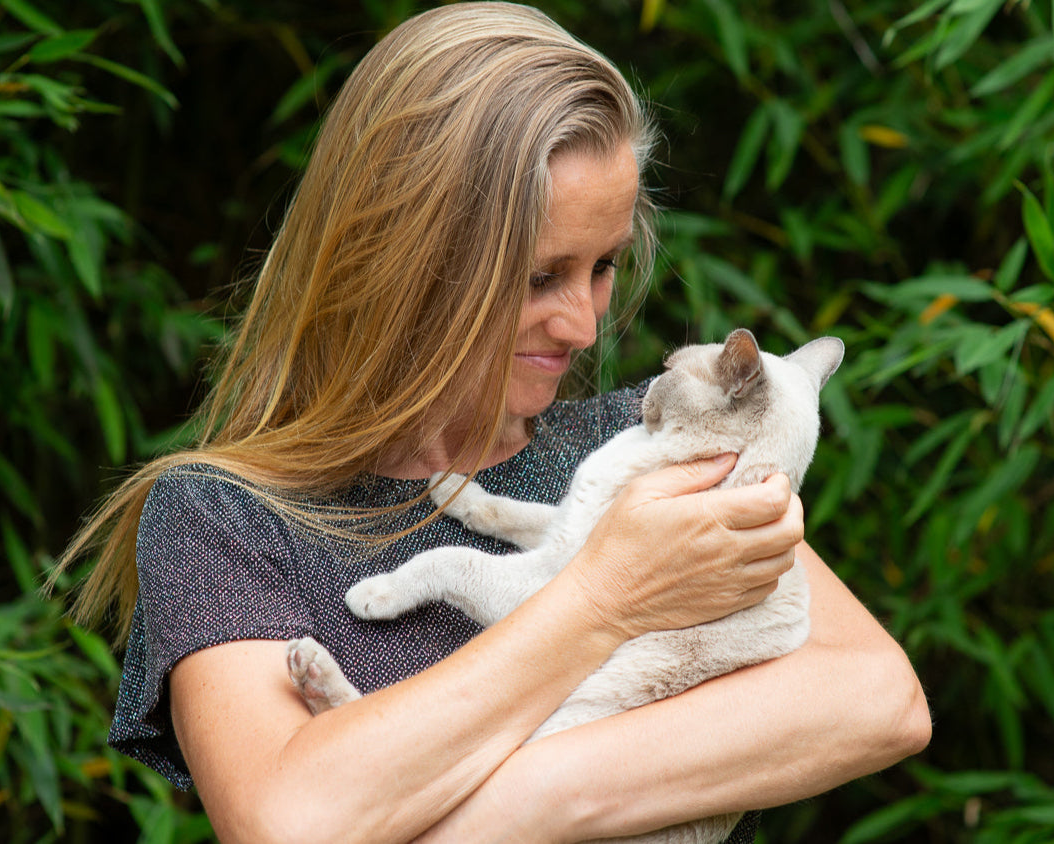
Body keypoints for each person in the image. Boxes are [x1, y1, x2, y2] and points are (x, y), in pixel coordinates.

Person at [56, 3, 931, 842]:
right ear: (403, 254)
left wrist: (527, 805)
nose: (584, 325)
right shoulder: (223, 520)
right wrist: (605, 598)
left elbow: (877, 699)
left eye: (603, 267)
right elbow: (291, 819)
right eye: (540, 276)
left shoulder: (649, 446)